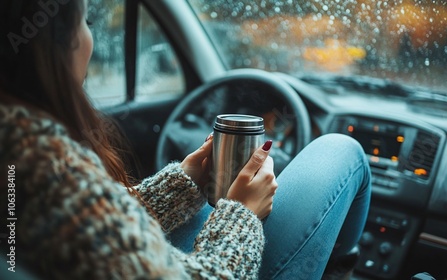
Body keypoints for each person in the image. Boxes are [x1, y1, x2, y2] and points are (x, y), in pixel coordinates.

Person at [0, 0, 371, 279]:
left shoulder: (21, 154)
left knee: (209, 209)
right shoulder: (44, 168)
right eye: (87, 22)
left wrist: (182, 184)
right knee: (341, 151)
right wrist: (242, 214)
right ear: (49, 47)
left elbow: (93, 239)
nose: (89, 39)